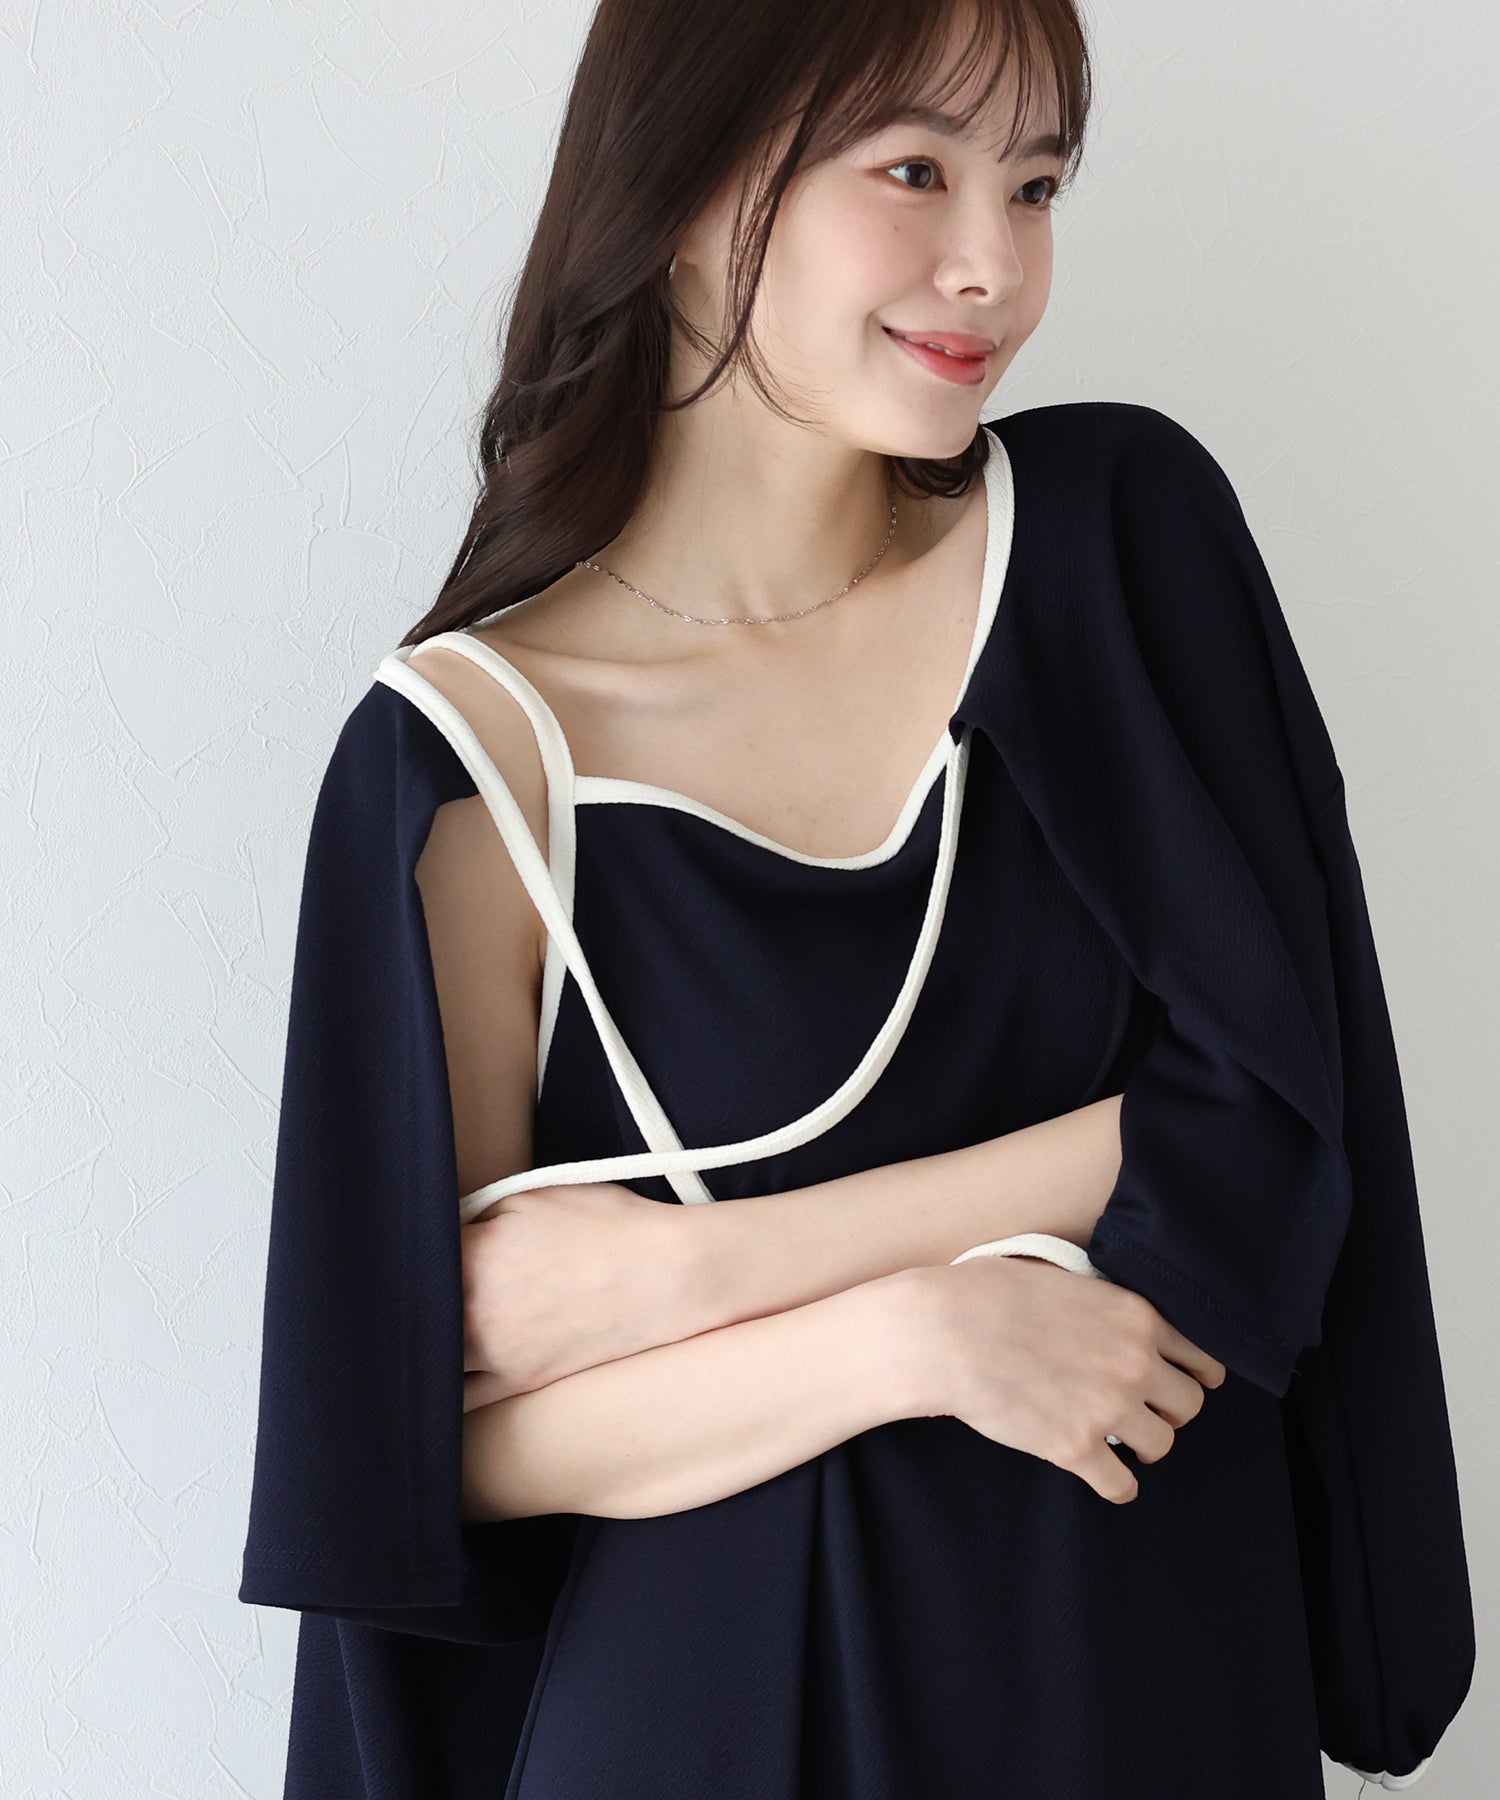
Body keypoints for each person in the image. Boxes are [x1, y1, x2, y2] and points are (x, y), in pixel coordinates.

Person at [237, 0, 1474, 1794]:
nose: (995, 265)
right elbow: (425, 1453)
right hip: (704, 1720)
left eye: (1035, 184)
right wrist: (909, 1337)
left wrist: (700, 1268)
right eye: (914, 170)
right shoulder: (467, 764)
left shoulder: (1119, 550)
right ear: (683, 187)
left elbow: (1282, 1119)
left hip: (1134, 1687)